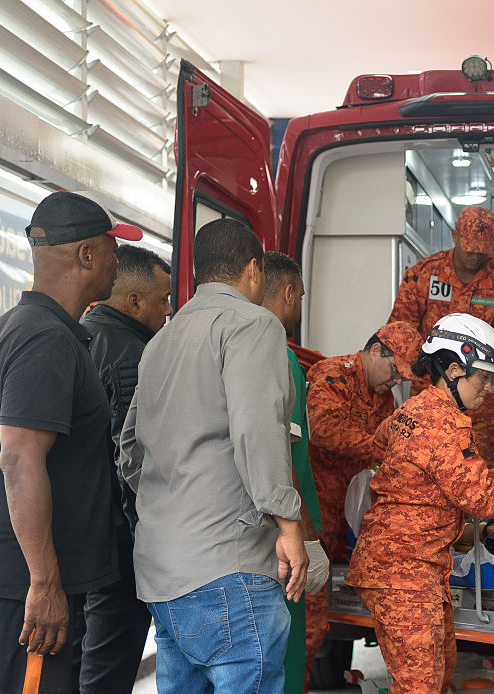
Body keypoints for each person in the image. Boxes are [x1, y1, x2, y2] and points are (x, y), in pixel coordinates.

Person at [0, 191, 141, 694]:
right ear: (87, 255)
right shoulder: (46, 339)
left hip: (6, 583)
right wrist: (44, 582)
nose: (117, 261)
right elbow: (18, 458)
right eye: (113, 249)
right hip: (19, 589)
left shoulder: (10, 330)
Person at [119, 218, 314, 694]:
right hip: (229, 569)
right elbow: (257, 431)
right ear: (254, 270)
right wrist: (289, 526)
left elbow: (128, 450)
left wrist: (176, 501)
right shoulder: (253, 324)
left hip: (162, 571)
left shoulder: (160, 340)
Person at [346, 313, 494, 694]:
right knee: (421, 686)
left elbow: (380, 446)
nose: (489, 389)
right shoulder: (445, 424)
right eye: (484, 377)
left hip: (409, 567)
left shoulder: (409, 411)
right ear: (453, 370)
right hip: (404, 573)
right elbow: (480, 496)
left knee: (439, 674)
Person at [303, 320, 423, 679]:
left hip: (348, 520)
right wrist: (379, 448)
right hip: (315, 516)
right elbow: (323, 431)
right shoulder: (333, 375)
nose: (397, 381)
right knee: (308, 628)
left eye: (403, 377)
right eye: (395, 371)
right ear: (375, 351)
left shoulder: (384, 399)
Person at [76, 244, 172, 694]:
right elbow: (131, 459)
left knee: (83, 659)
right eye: (162, 300)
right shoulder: (133, 355)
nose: (168, 310)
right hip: (118, 539)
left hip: (82, 533)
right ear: (133, 301)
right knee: (109, 665)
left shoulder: (82, 334)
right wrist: (145, 539)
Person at [389, 205, 494, 465]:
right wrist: (396, 381)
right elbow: (402, 331)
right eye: (470, 249)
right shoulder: (424, 274)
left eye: (482, 251)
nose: (476, 256)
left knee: (477, 467)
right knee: (423, 462)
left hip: (481, 399)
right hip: (431, 392)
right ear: (455, 236)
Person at [259, 251, 330, 694]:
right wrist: (304, 535)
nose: (299, 305)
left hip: (264, 533)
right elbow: (282, 454)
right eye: (300, 296)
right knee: (281, 659)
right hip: (283, 539)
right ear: (287, 293)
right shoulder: (278, 356)